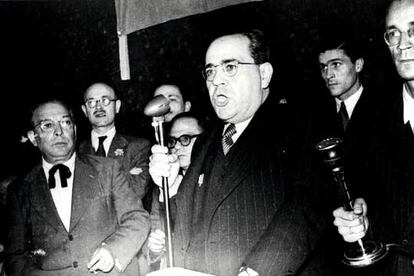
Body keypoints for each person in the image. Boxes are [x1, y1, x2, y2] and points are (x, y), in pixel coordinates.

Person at [149, 29, 329, 276]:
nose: (217, 80)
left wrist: (257, 270)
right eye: (210, 71)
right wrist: (169, 186)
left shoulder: (299, 128)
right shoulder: (206, 141)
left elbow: (306, 208)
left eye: (230, 67)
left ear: (263, 74)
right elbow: (186, 226)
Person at [4, 99, 150, 275]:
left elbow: (137, 218)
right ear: (33, 137)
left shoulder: (107, 169)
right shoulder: (19, 190)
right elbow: (15, 256)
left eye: (66, 122)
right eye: (48, 125)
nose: (59, 132)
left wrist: (113, 251)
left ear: (74, 129)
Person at [333, 0, 414, 274]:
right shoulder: (373, 121)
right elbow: (378, 204)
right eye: (394, 33)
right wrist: (364, 220)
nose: (402, 44)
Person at [147, 112, 206, 270]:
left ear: (205, 140)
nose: (177, 146)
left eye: (185, 139)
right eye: (172, 141)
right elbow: (153, 255)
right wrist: (155, 249)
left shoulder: (212, 181)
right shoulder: (163, 185)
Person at [79, 82, 151, 199]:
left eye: (105, 101)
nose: (98, 107)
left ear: (117, 106)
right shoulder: (76, 151)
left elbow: (136, 192)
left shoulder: (138, 147)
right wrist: (123, 178)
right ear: (85, 110)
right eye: (91, 102)